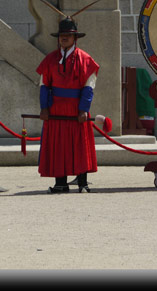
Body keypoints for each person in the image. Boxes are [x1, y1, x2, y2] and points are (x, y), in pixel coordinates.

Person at [36, 17, 100, 193]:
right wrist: (44, 108)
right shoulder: (49, 60)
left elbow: (88, 87)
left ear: (75, 38)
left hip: (76, 110)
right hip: (56, 109)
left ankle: (83, 183)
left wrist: (83, 110)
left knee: (79, 145)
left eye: (68, 35)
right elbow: (44, 86)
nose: (64, 38)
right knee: (58, 146)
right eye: (61, 35)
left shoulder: (85, 60)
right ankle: (60, 184)